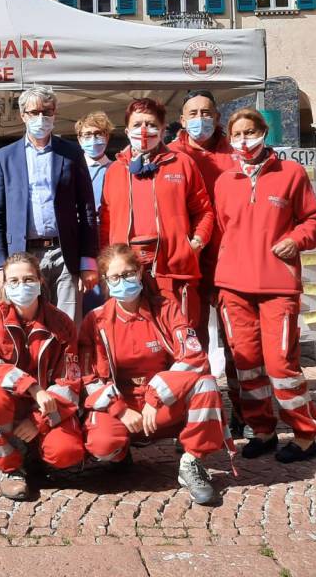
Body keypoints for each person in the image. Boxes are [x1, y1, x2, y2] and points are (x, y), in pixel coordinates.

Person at [214, 108, 316, 463]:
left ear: (264, 132)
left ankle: (306, 435)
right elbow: (221, 228)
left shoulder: (291, 173)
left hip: (277, 285)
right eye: (237, 134)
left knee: (281, 366)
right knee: (246, 366)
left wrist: (297, 239)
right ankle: (262, 430)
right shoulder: (224, 180)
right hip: (233, 286)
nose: (244, 140)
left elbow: (312, 220)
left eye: (250, 132)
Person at [79, 244, 226, 505]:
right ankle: (120, 452)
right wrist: (121, 410)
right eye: (114, 277)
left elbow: (194, 358)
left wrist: (154, 395)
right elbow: (90, 378)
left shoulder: (166, 310)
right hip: (124, 408)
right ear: (105, 281)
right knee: (102, 446)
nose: (122, 281)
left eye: (128, 273)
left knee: (207, 385)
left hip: (161, 403)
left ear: (140, 272)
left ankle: (192, 461)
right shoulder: (96, 320)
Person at [0, 251, 85, 501]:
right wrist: (32, 386)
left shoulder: (61, 322)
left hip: (46, 408)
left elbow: (70, 383)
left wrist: (38, 421)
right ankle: (9, 468)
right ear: (4, 284)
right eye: (14, 281)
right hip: (9, 401)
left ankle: (36, 454)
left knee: (67, 453)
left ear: (40, 281)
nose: (21, 286)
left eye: (28, 279)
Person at [99, 97, 215, 332]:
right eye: (137, 124)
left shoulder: (182, 163)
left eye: (151, 124)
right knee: (138, 334)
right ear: (127, 130)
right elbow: (106, 219)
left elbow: (204, 210)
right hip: (127, 270)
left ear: (163, 129)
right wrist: (107, 262)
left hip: (173, 265)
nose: (144, 131)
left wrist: (196, 243)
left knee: (182, 332)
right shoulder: (115, 171)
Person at [0, 85, 98, 327]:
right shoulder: (4, 157)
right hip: (23, 254)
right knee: (27, 323)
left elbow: (87, 209)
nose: (41, 118)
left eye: (47, 112)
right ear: (23, 115)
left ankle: (68, 366)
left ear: (55, 113)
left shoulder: (70, 153)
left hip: (65, 253)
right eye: (34, 112)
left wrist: (88, 260)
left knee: (69, 325)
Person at [167, 89, 239, 428]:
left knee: (237, 341)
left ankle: (245, 411)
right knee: (192, 337)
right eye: (193, 113)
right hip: (188, 261)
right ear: (182, 120)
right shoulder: (169, 155)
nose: (200, 119)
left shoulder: (237, 153)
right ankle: (198, 411)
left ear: (218, 117)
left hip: (231, 259)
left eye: (206, 112)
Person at [76, 111, 114, 315]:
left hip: (108, 248)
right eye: (87, 134)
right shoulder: (71, 169)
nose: (93, 139)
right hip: (78, 250)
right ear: (79, 139)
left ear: (107, 136)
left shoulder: (117, 169)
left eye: (98, 133)